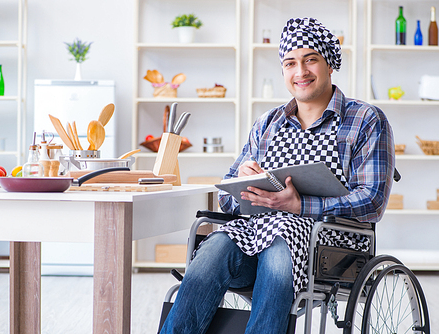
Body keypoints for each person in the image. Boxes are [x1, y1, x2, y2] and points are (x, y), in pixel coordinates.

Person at [160, 17, 395, 334]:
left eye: (311, 59)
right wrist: (242, 185)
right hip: (254, 237)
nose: (301, 72)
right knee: (213, 247)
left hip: (328, 247)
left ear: (329, 65)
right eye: (290, 63)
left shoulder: (365, 119)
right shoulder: (267, 123)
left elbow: (372, 202)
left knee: (279, 248)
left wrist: (300, 206)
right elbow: (225, 199)